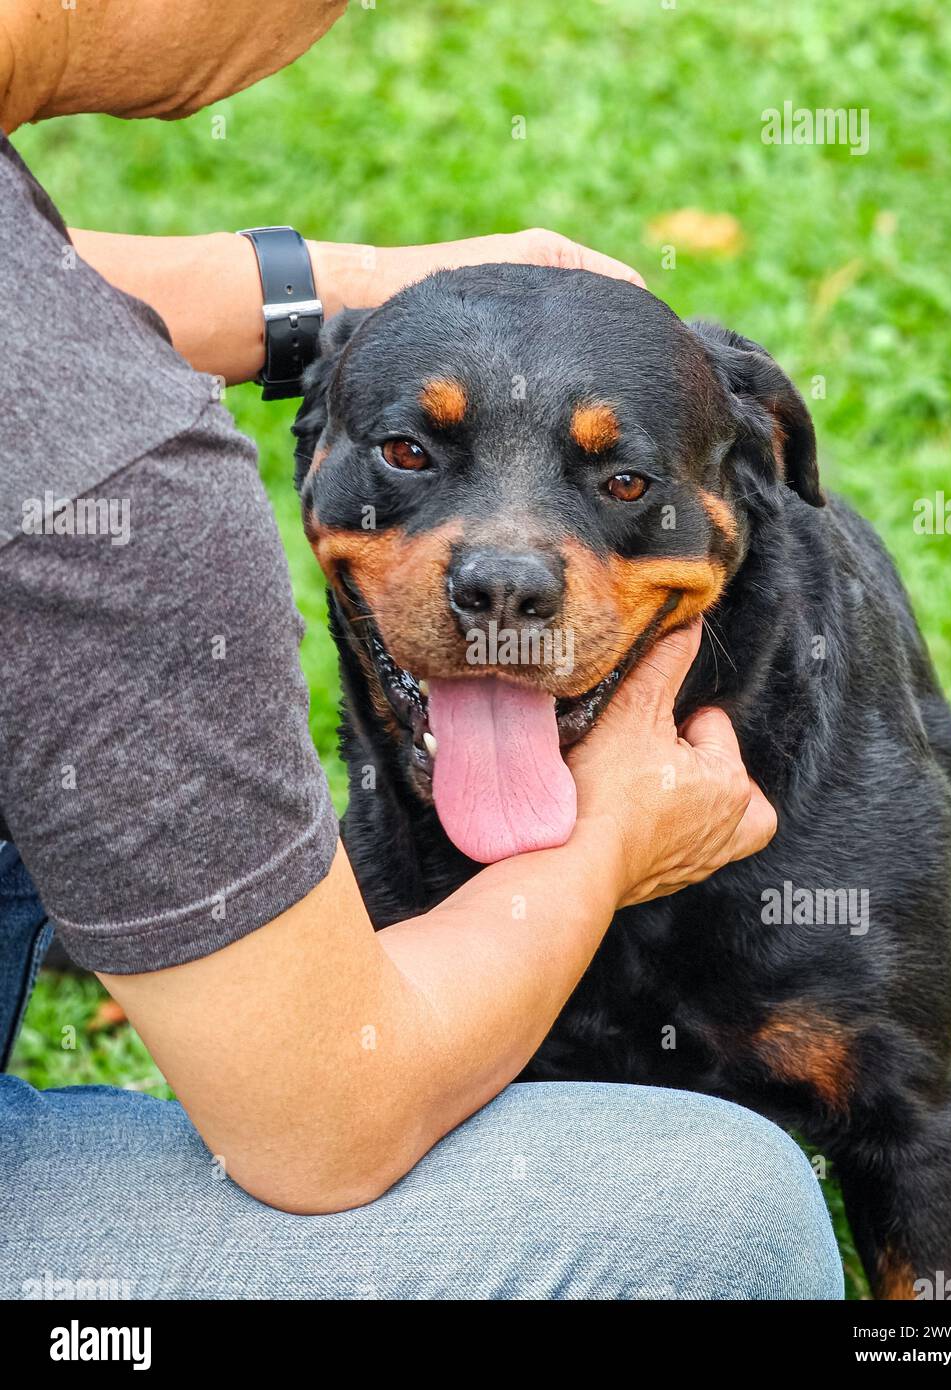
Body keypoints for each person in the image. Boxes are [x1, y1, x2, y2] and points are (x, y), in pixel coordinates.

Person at [0, 1, 843, 1299]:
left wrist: (334, 296)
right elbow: (321, 1125)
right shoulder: (110, 485)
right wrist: (611, 837)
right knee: (720, 1218)